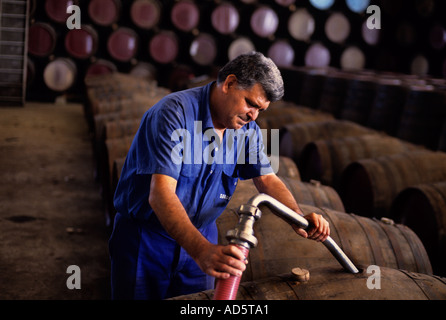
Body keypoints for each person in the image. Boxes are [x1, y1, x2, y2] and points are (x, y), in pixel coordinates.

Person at [109, 52, 330, 300]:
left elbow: (268, 180)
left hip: (203, 232)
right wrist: (201, 251)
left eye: (261, 109)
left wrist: (297, 218)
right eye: (250, 103)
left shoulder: (249, 130)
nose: (253, 115)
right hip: (148, 238)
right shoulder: (174, 113)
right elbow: (160, 194)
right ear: (229, 83)